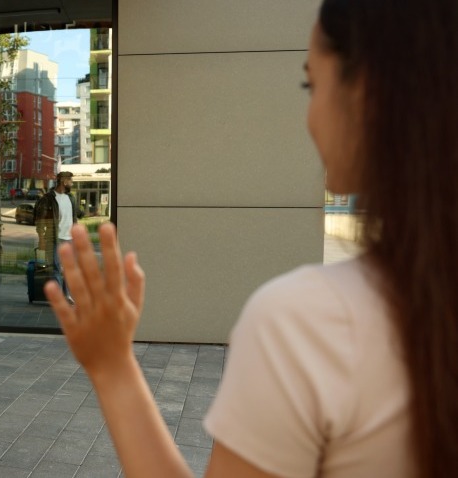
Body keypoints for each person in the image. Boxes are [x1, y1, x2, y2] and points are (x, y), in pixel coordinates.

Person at [44, 0, 458, 477]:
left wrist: (112, 366)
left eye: (311, 84)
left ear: (366, 97)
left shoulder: (307, 323)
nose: (308, 116)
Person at [34, 171, 82, 303]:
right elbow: (40, 220)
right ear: (64, 181)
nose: (72, 183)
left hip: (69, 238)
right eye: (70, 181)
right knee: (56, 268)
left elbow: (77, 213)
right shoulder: (49, 198)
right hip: (55, 238)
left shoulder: (70, 198)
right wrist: (41, 238)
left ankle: (67, 295)